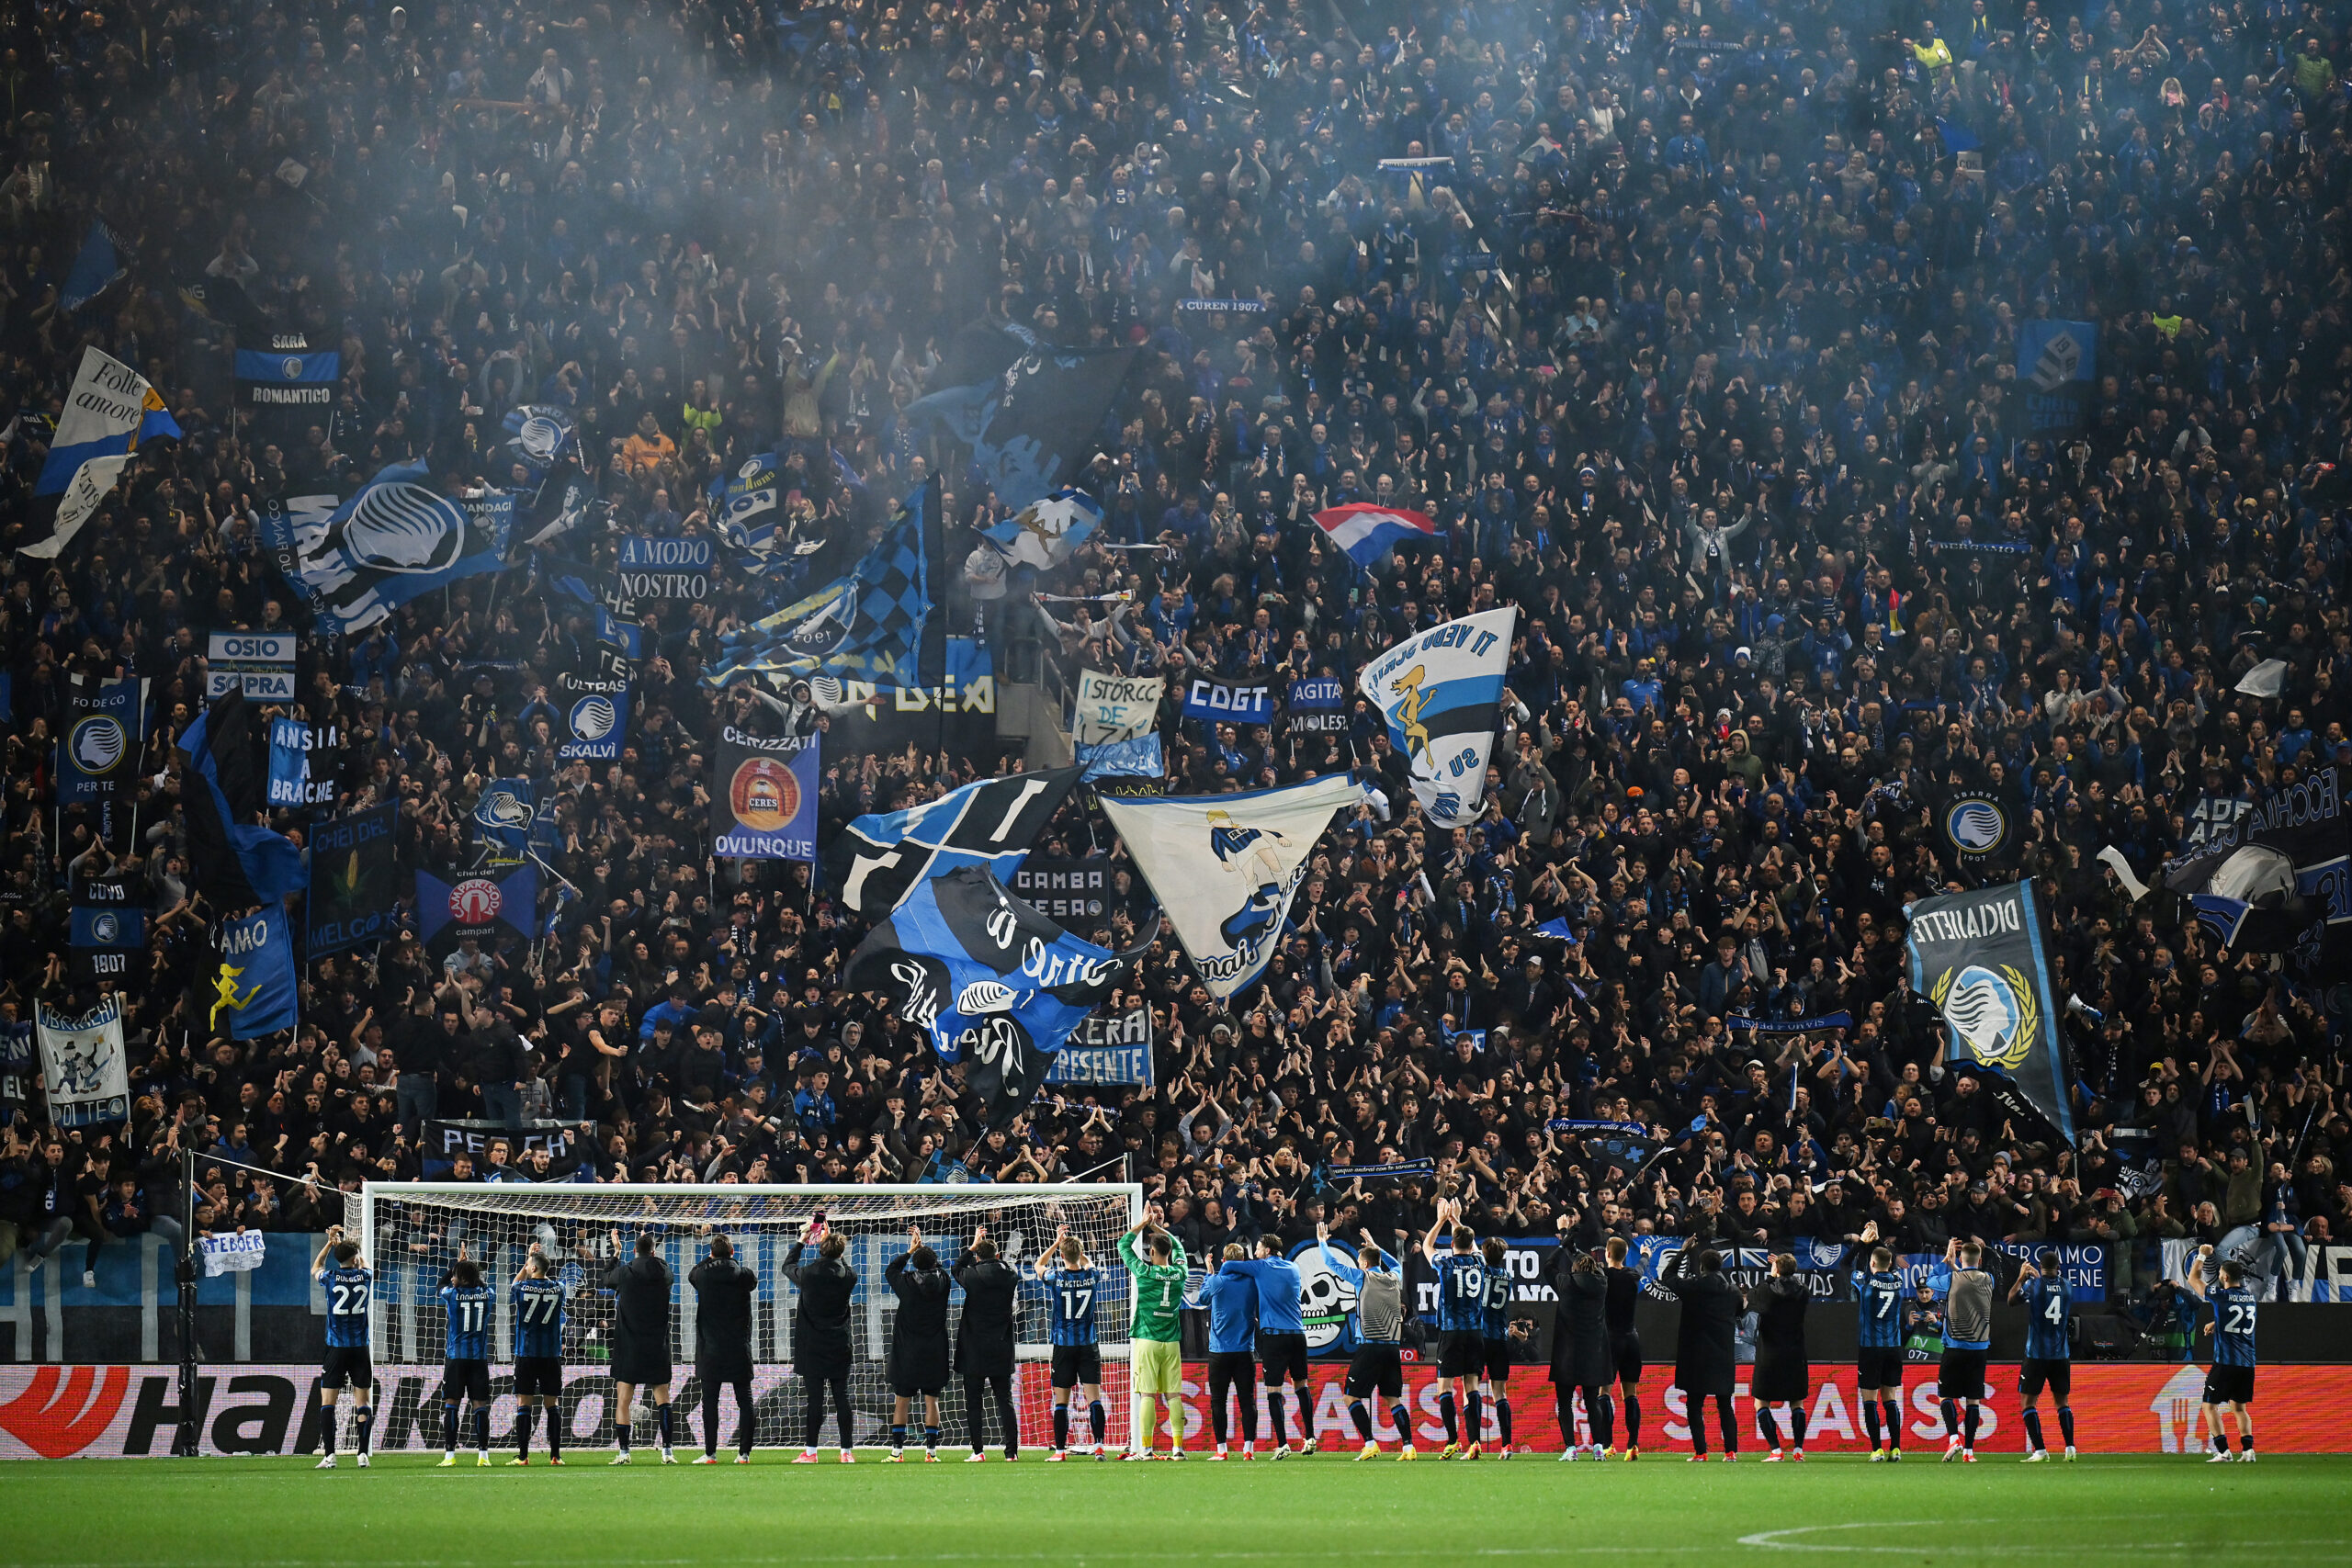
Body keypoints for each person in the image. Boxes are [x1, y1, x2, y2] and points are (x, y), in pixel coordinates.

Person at [1316, 1223, 1411, 1461]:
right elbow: (1396, 1265)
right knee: (1393, 1399)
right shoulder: (1394, 1277)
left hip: (1371, 1347)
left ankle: (1370, 1443)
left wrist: (1322, 1242)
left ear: (1365, 1264)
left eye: (1360, 1262)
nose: (1359, 1265)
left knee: (1350, 1397)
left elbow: (1332, 1264)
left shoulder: (1362, 1277)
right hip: (1393, 1348)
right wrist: (1376, 1247)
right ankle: (1408, 1447)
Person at [1223, 1233, 1313, 1455]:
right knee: (1301, 1386)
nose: (1255, 1253)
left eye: (1258, 1248)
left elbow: (1228, 1266)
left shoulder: (1261, 1267)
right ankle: (1310, 1437)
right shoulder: (1293, 1267)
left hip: (1275, 1336)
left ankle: (1282, 1444)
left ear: (1268, 1251)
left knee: (1274, 1390)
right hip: (1298, 1335)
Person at [784, 1213, 857, 1461]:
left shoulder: (809, 1273)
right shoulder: (849, 1276)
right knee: (842, 1398)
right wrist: (832, 1243)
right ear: (841, 1252)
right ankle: (846, 1452)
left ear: (820, 1249)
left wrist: (801, 1241)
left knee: (815, 1400)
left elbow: (787, 1266)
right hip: (839, 1345)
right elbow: (843, 1264)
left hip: (812, 1346)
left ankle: (811, 1452)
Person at [1657, 1241, 1739, 1461]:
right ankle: (1731, 1452)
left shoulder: (1693, 1287)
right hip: (1723, 1355)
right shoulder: (1732, 1292)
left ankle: (1701, 1452)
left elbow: (1667, 1275)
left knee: (1694, 1405)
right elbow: (1740, 1312)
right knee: (1725, 1404)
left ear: (1701, 1267)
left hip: (1696, 1355)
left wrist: (1683, 1252)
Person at [1119, 1205, 1190, 1459]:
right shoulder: (1180, 1272)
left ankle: (1147, 1449)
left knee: (1147, 1395)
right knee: (1174, 1395)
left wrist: (1142, 1224)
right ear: (1169, 1252)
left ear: (1151, 1251)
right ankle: (1178, 1448)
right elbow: (1178, 1247)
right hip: (1171, 1342)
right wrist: (1157, 1227)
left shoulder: (1145, 1272)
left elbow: (1123, 1246)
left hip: (1147, 1340)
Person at [1035, 1224, 1107, 1460]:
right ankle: (1099, 1447)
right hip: (1088, 1345)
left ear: (1062, 1256)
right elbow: (1088, 1262)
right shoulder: (1092, 1276)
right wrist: (1078, 1252)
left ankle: (1060, 1451)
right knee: (1094, 1399)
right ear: (1081, 1253)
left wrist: (1057, 1243)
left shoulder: (1056, 1278)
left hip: (1063, 1345)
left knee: (1061, 1402)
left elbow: (1039, 1265)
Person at [1421, 1198, 1487, 1458]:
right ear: (1471, 1245)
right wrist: (1455, 1220)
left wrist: (1441, 1220)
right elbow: (1471, 1243)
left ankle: (1452, 1440)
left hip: (1451, 1331)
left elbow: (1427, 1245)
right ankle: (1475, 1442)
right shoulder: (1480, 1262)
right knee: (1472, 1386)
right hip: (1475, 1331)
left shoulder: (1445, 1264)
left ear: (1451, 1245)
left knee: (1445, 1387)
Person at [605, 1230, 676, 1463]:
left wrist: (617, 1252)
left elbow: (605, 1278)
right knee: (663, 1400)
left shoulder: (625, 1271)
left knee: (623, 1400)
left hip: (629, 1345)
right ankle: (667, 1452)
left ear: (634, 1250)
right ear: (654, 1252)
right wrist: (650, 1252)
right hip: (656, 1345)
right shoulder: (663, 1271)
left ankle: (624, 1452)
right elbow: (662, 1268)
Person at [882, 1223, 952, 1461]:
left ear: (914, 1265)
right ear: (935, 1264)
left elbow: (891, 1270)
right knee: (932, 1401)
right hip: (935, 1350)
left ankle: (897, 1452)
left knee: (902, 1401)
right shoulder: (944, 1281)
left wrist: (911, 1250)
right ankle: (931, 1452)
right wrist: (922, 1252)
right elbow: (937, 1267)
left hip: (907, 1350)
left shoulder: (906, 1283)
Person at [688, 1231, 758, 1464]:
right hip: (738, 1347)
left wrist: (710, 1258)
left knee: (710, 1402)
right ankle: (744, 1454)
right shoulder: (744, 1274)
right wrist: (731, 1260)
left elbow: (692, 1274)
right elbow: (751, 1281)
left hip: (711, 1348)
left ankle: (710, 1453)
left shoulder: (703, 1275)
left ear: (711, 1253)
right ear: (732, 1252)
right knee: (745, 1401)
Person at [2184, 1244, 2257, 1462]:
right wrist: (2217, 1323)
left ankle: (2223, 1451)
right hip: (2248, 1363)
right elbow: (2237, 1318)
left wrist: (2201, 1255)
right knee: (2239, 1408)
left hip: (2226, 1361)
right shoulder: (2250, 1298)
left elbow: (2193, 1279)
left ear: (2225, 1277)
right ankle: (2248, 1451)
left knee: (2209, 1405)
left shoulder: (2221, 1295)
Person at [952, 1224, 1020, 1461]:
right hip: (1001, 1346)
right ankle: (1011, 1452)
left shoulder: (972, 1275)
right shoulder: (1010, 1276)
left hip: (974, 1348)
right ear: (998, 1255)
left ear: (977, 1257)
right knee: (1005, 1400)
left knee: (974, 1402)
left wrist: (971, 1247)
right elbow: (1008, 1269)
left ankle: (978, 1451)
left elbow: (956, 1268)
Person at [1547, 1227, 1614, 1461]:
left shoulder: (1566, 1283)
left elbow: (1548, 1267)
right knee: (1592, 1401)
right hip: (1593, 1354)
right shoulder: (1602, 1283)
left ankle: (1570, 1448)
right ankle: (1598, 1447)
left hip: (1567, 1353)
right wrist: (1572, 1249)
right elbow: (1592, 1268)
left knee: (1565, 1403)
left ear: (1574, 1268)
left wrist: (1562, 1246)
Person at [311, 1226, 374, 1470]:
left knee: (328, 1402)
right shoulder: (365, 1276)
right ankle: (362, 1454)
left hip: (336, 1348)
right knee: (363, 1401)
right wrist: (356, 1255)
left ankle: (330, 1455)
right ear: (355, 1259)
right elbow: (365, 1265)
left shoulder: (330, 1277)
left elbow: (315, 1268)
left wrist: (330, 1244)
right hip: (360, 1348)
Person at [2011, 1248, 2076, 1461]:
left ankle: (2040, 1450)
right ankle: (2070, 1448)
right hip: (2061, 1354)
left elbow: (2012, 1300)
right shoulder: (2068, 1286)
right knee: (2062, 1402)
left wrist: (2022, 1277)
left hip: (2037, 1354)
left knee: (2028, 1403)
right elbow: (2052, 1287)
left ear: (2039, 1266)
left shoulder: (2034, 1285)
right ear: (2059, 1267)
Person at [1199, 1241, 1261, 1459]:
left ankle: (1221, 1450)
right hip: (1245, 1350)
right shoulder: (1252, 1282)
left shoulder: (1217, 1281)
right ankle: (1248, 1449)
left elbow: (1201, 1299)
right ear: (1243, 1261)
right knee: (1247, 1401)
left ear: (1223, 1260)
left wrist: (1209, 1273)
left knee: (1218, 1401)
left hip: (1220, 1352)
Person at [1853, 1226, 1908, 1461]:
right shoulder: (1898, 1281)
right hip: (1893, 1347)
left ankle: (1877, 1449)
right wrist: (1877, 1242)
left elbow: (1846, 1266)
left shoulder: (1865, 1282)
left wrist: (1863, 1243)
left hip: (1871, 1348)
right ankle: (1896, 1448)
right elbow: (1886, 1262)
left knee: (1870, 1400)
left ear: (1872, 1264)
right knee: (1890, 1398)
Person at [1937, 1238, 1995, 1463]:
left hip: (1955, 1347)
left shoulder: (1952, 1279)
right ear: (1979, 1261)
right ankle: (1969, 1452)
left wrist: (1946, 1261)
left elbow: (1931, 1281)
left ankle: (1954, 1438)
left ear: (1960, 1259)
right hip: (1979, 1350)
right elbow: (1969, 1279)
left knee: (1945, 1396)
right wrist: (1957, 1266)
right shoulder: (1989, 1279)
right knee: (1973, 1400)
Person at [509, 1244, 567, 1465]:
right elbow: (543, 1278)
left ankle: (523, 1456)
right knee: (552, 1404)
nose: (527, 1267)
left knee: (524, 1403)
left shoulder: (522, 1288)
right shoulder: (559, 1288)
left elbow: (514, 1285)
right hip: (551, 1354)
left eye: (528, 1266)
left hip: (527, 1353)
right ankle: (556, 1456)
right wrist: (535, 1263)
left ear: (532, 1268)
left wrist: (528, 1260)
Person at [435, 1252, 495, 1468]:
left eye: (456, 1275)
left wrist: (456, 1265)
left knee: (452, 1405)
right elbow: (482, 1284)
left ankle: (450, 1456)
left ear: (461, 1279)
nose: (452, 1278)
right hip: (478, 1359)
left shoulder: (451, 1294)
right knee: (480, 1406)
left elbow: (440, 1285)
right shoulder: (488, 1294)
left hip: (456, 1359)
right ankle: (483, 1456)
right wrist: (468, 1270)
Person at [1750, 1254, 1811, 1461]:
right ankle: (1798, 1450)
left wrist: (1771, 1276)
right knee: (1797, 1402)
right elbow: (1795, 1284)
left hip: (1770, 1354)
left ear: (1776, 1269)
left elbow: (1754, 1295)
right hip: (1795, 1353)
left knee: (1761, 1402)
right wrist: (1784, 1269)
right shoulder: (1803, 1291)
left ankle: (1776, 1450)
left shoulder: (1766, 1291)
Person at [1476, 1236, 1519, 1456]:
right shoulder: (1508, 1276)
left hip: (1480, 1336)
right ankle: (1507, 1443)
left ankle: (1474, 1443)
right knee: (1500, 1393)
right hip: (1499, 1338)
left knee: (1471, 1389)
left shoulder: (1479, 1272)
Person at [1603, 1235, 1645, 1459]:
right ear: (1625, 1255)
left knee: (1604, 1391)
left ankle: (1608, 1444)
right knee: (1630, 1392)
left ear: (1608, 1254)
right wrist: (1645, 1254)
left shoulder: (1602, 1276)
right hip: (1631, 1339)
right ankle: (1633, 1444)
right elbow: (1641, 1266)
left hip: (1610, 1340)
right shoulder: (1632, 1276)